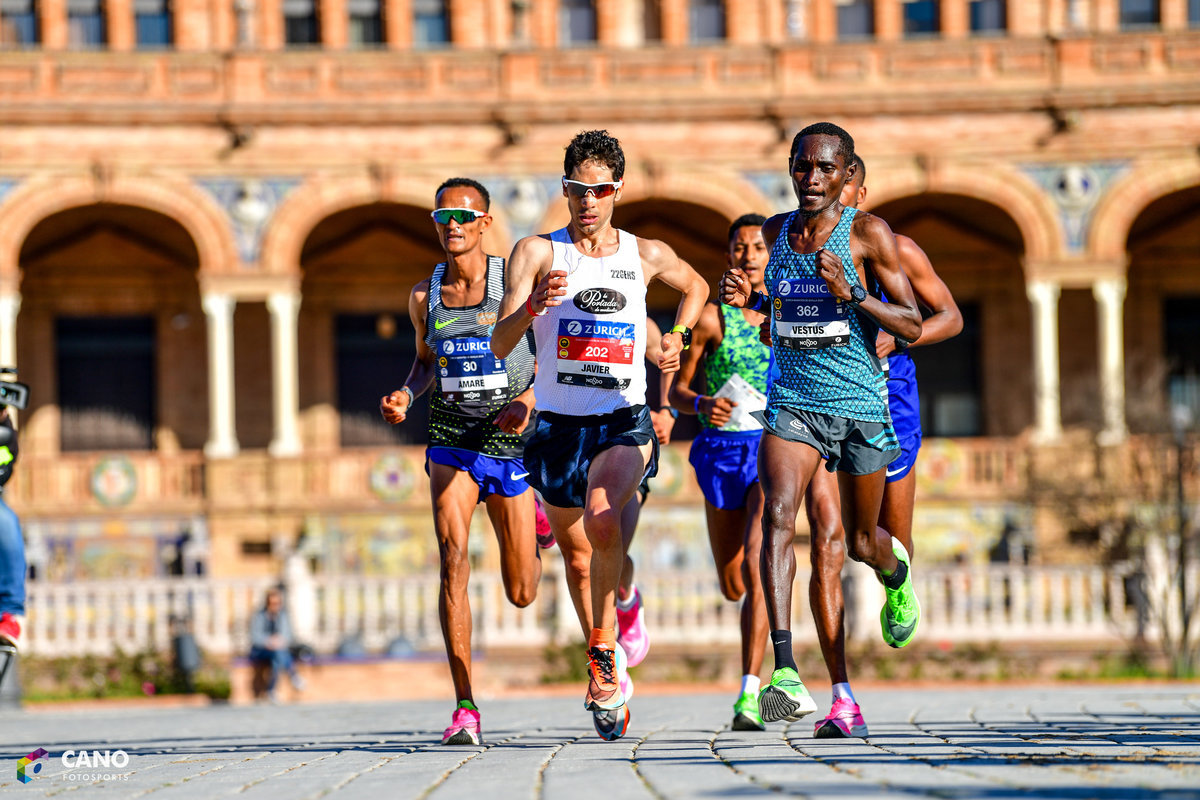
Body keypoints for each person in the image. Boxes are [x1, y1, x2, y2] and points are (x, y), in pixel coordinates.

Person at [491, 129, 707, 740]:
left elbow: (695, 287)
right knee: (580, 560)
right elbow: (499, 344)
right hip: (558, 426)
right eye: (578, 190)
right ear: (565, 191)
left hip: (623, 418)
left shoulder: (643, 253)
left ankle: (605, 659)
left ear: (617, 191)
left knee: (605, 517)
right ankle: (601, 640)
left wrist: (679, 338)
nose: (589, 202)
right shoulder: (536, 252)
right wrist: (532, 307)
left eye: (601, 190)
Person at [720, 122, 923, 725]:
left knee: (861, 544)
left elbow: (911, 322)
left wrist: (854, 293)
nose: (811, 179)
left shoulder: (868, 235)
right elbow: (789, 307)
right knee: (779, 518)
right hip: (793, 403)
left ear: (846, 174)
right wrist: (753, 301)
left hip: (859, 406)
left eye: (824, 169)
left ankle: (897, 571)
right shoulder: (777, 232)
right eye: (802, 167)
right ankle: (784, 670)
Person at [380, 177, 542, 746]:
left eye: (462, 216)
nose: (452, 225)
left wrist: (527, 400)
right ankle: (465, 707)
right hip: (450, 436)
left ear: (484, 223)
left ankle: (536, 517)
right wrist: (406, 392)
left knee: (522, 589)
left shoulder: (515, 283)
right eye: (442, 216)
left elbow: (553, 354)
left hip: (510, 439)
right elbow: (423, 362)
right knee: (452, 559)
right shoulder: (424, 296)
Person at [806, 154, 962, 738]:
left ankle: (895, 581)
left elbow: (947, 317)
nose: (827, 192)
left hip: (886, 396)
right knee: (831, 535)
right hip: (813, 396)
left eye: (841, 185)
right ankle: (813, 681)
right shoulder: (795, 240)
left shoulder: (894, 246)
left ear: (859, 190)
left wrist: (897, 341)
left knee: (885, 540)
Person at [669, 214, 773, 731]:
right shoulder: (712, 319)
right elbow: (676, 391)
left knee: (759, 565)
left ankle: (750, 690)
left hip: (772, 450)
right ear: (730, 254)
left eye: (759, 246)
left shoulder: (784, 318)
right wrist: (702, 402)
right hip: (720, 453)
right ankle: (747, 632)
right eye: (741, 247)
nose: (750, 255)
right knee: (734, 582)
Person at [615, 316, 675, 671]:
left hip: (628, 440)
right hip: (572, 438)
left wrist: (667, 409)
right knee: (586, 557)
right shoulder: (559, 306)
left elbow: (668, 356)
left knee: (614, 548)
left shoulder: (637, 316)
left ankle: (626, 601)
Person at [0, 386, 25, 658]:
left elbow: (6, 464)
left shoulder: (4, 432)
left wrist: (3, 420)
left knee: (6, 522)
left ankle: (8, 614)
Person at [249, 587, 305, 703]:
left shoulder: (284, 615)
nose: (275, 606)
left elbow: (289, 636)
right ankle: (293, 675)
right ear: (267, 603)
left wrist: (280, 641)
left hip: (277, 651)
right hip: (261, 650)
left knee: (278, 656)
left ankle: (271, 690)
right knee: (280, 653)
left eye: (278, 603)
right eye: (272, 603)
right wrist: (268, 641)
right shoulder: (259, 616)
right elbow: (255, 638)